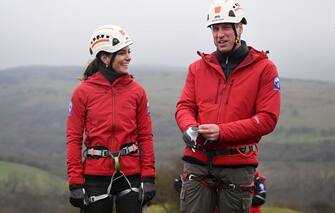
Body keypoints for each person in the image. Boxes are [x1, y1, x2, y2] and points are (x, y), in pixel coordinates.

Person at [175, 0, 280, 212]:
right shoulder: (197, 68)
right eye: (215, 28)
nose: (219, 34)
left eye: (225, 28)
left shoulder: (265, 69)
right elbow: (184, 106)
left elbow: (267, 119)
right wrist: (189, 127)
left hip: (238, 164)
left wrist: (222, 132)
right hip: (198, 160)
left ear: (239, 28)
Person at [66, 25, 155, 213]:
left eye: (129, 51)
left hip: (130, 173)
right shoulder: (82, 92)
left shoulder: (137, 91)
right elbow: (74, 138)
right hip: (95, 174)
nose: (128, 57)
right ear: (105, 57)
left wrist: (148, 177)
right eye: (122, 53)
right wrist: (75, 182)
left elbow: (145, 136)